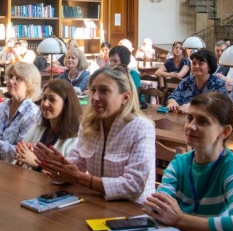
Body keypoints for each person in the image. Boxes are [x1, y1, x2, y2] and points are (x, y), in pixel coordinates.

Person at [34, 66, 155, 203]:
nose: (95, 97)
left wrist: (79, 177)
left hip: (135, 213)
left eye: (104, 91)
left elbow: (134, 186)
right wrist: (60, 166)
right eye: (93, 90)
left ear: (125, 97)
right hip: (97, 204)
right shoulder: (89, 124)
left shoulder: (141, 128)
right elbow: (77, 163)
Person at [144, 92, 233, 231]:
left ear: (225, 132)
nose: (191, 126)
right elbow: (156, 206)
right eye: (189, 118)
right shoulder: (179, 163)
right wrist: (159, 208)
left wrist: (180, 220)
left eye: (202, 121)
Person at [15, 79, 81, 170]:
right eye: (44, 98)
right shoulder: (36, 129)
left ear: (66, 104)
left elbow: (66, 177)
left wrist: (37, 164)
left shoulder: (75, 140)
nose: (45, 103)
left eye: (52, 99)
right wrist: (21, 159)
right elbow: (20, 157)